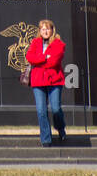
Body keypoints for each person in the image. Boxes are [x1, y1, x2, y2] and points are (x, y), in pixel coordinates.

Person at [26, 18, 67, 147]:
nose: (45, 31)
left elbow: (54, 61)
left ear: (52, 30)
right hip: (38, 81)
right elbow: (29, 57)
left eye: (47, 29)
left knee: (56, 109)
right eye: (43, 29)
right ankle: (46, 139)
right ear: (40, 31)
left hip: (54, 80)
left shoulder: (59, 43)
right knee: (41, 111)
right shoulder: (35, 42)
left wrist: (39, 61)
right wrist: (44, 57)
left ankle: (60, 128)